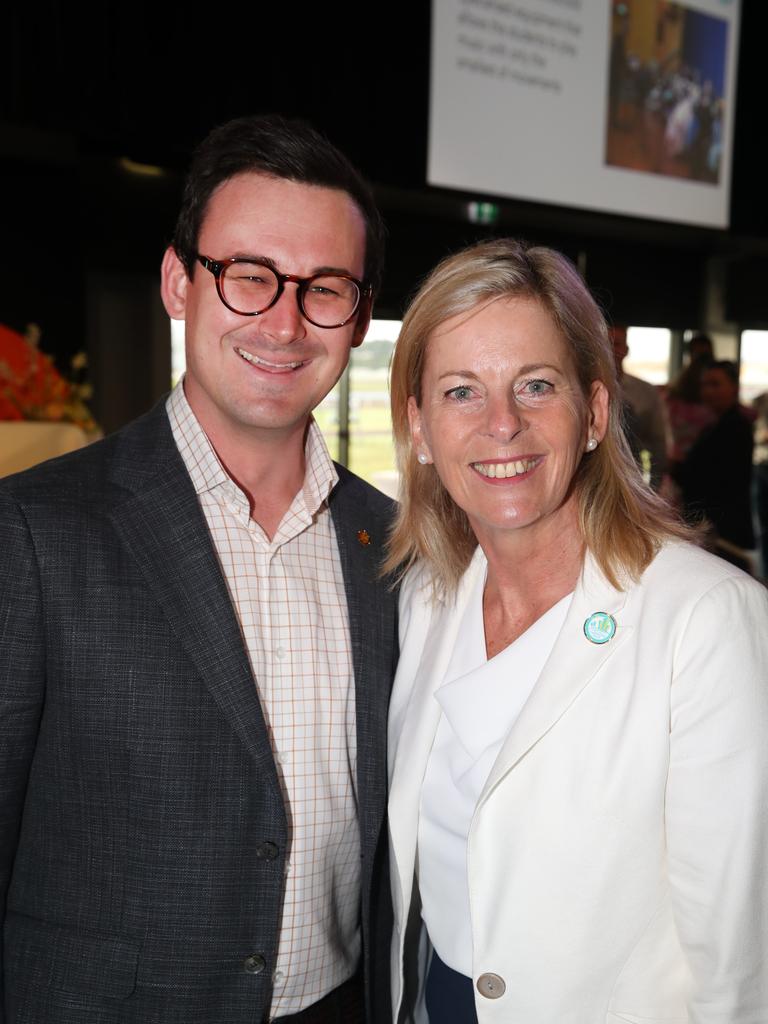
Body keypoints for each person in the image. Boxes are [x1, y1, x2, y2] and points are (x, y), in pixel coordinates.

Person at [0, 115, 398, 1024]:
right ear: (181, 282)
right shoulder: (33, 530)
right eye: (249, 276)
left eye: (325, 288)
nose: (285, 322)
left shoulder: (393, 543)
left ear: (361, 315)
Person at [384, 239, 768, 1023]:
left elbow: (741, 960)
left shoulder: (707, 621)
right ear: (419, 429)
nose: (502, 423)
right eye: (461, 392)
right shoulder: (428, 595)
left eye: (535, 385)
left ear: (594, 413)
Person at [677, 359, 755, 563]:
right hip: (715, 520)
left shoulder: (736, 426)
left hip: (723, 525)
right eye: (705, 385)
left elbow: (718, 477)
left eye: (715, 384)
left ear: (734, 388)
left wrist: (680, 465)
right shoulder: (715, 425)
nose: (708, 391)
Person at [609, 325, 668, 489]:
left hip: (632, 480)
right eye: (605, 343)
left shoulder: (645, 391)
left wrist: (653, 487)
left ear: (626, 349)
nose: (610, 350)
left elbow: (657, 441)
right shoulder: (584, 388)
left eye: (616, 344)